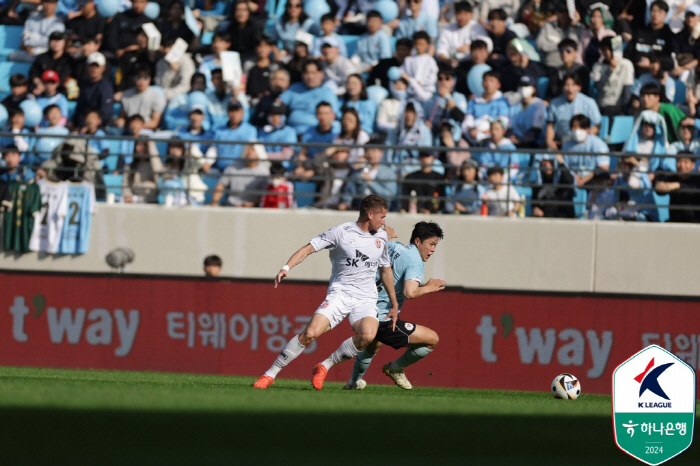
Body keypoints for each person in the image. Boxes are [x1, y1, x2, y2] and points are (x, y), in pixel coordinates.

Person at [252, 194, 399, 390]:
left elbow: (386, 269)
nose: (384, 222)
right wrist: (286, 267)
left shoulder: (381, 237)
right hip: (340, 294)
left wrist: (394, 303)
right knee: (310, 333)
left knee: (368, 335)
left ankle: (325, 365)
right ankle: (269, 375)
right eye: (382, 217)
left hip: (366, 298)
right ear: (369, 214)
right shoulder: (341, 232)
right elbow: (308, 248)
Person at [345, 221, 445, 391]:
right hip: (383, 316)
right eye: (431, 244)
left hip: (364, 307)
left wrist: (387, 235)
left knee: (374, 344)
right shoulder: (415, 261)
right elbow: (410, 292)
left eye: (435, 245)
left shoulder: (394, 247)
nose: (433, 250)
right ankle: (396, 368)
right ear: (418, 241)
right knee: (432, 339)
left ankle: (353, 382)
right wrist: (429, 288)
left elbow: (376, 245)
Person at [279, 58, 339, 135]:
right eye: (307, 73)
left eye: (313, 73)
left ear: (321, 74)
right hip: (291, 132)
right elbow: (278, 104)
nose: (310, 76)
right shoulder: (293, 89)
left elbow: (332, 117)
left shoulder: (327, 93)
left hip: (315, 134)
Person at [546, 73, 601, 150]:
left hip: (583, 142)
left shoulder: (589, 102)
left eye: (573, 85)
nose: (570, 89)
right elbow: (550, 125)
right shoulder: (554, 103)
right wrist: (549, 142)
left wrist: (583, 137)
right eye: (567, 85)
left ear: (579, 87)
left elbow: (597, 125)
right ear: (562, 87)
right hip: (561, 142)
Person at [340, 141, 397, 211]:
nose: (371, 154)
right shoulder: (359, 171)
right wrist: (346, 202)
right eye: (367, 151)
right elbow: (350, 189)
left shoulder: (388, 172)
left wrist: (371, 183)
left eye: (374, 151)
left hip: (380, 210)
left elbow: (390, 195)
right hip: (361, 209)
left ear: (381, 153)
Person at [624, 0, 675, 75]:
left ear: (665, 15)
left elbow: (670, 62)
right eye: (653, 11)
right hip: (634, 74)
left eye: (660, 11)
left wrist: (651, 64)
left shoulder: (669, 36)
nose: (656, 14)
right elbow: (627, 54)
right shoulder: (639, 32)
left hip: (656, 76)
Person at [560, 114, 610, 186]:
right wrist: (574, 177)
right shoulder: (566, 145)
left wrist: (585, 178)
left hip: (593, 180)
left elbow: (604, 167)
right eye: (574, 127)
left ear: (588, 128)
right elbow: (566, 165)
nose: (577, 130)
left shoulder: (598, 144)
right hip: (572, 180)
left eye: (581, 127)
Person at [591, 36, 634, 118]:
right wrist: (610, 70)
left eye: (610, 49)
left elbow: (627, 91)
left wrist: (624, 110)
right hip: (601, 105)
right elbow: (598, 86)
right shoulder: (597, 66)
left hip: (617, 106)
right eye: (604, 50)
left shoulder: (626, 64)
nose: (607, 52)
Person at [462, 70, 510, 144]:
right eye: (486, 80)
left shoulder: (503, 101)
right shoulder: (473, 101)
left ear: (498, 84)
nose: (488, 84)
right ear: (482, 83)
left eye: (491, 81)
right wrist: (470, 130)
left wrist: (489, 131)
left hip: (492, 138)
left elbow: (503, 122)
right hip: (472, 137)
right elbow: (468, 120)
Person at [436, 1, 488, 67]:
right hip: (451, 64)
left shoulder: (476, 27)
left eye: (465, 14)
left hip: (471, 62)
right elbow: (441, 50)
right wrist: (447, 60)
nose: (462, 17)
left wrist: (470, 46)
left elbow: (486, 43)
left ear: (471, 14)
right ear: (455, 14)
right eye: (459, 13)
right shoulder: (447, 30)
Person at [422, 68, 467, 144]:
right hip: (434, 139)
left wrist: (447, 97)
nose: (443, 82)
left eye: (447, 78)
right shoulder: (430, 100)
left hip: (453, 139)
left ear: (453, 81)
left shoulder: (459, 97)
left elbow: (462, 118)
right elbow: (423, 119)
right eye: (440, 78)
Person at [210, 101, 258, 171]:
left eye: (237, 111)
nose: (234, 114)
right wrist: (208, 162)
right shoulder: (219, 130)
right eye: (232, 111)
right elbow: (214, 148)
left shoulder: (250, 130)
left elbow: (251, 151)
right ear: (227, 113)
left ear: (242, 112)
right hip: (220, 169)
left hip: (240, 170)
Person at [535, 3, 585, 70]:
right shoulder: (548, 26)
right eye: (561, 12)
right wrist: (560, 45)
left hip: (570, 67)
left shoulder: (579, 28)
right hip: (549, 65)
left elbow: (573, 45)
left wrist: (572, 27)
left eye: (566, 12)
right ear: (556, 14)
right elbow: (540, 44)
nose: (564, 15)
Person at [654, 151, 700, 222]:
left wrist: (678, 185)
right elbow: (660, 191)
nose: (682, 165)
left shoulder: (697, 179)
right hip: (674, 221)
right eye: (679, 161)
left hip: (694, 222)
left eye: (685, 162)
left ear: (693, 165)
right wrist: (659, 184)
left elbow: (694, 191)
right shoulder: (672, 178)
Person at [71, 52, 113, 128]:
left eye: (97, 66)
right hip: (83, 126)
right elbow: (80, 109)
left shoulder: (106, 87)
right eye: (91, 66)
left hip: (100, 128)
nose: (94, 69)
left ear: (103, 68)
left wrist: (90, 125)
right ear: (87, 66)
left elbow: (105, 113)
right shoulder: (84, 85)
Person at [117, 66, 166, 130]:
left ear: (150, 79)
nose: (141, 81)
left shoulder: (157, 96)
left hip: (147, 131)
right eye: (138, 77)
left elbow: (155, 123)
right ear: (133, 78)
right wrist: (120, 121)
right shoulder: (126, 95)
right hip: (128, 130)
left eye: (145, 77)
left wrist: (138, 126)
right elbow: (123, 116)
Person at [28, 31, 73, 96]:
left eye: (59, 40)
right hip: (41, 90)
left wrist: (51, 87)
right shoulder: (42, 58)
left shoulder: (68, 60)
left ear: (64, 42)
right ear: (49, 42)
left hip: (60, 92)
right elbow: (33, 73)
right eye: (53, 40)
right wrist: (39, 84)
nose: (56, 43)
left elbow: (66, 77)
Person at [531, 153, 575, 218]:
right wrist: (535, 208)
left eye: (550, 162)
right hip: (543, 219)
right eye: (544, 163)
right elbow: (534, 200)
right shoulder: (538, 182)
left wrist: (561, 163)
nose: (547, 166)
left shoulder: (563, 179)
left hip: (562, 218)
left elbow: (570, 181)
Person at [154, 36, 196, 101]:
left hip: (180, 96)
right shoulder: (160, 63)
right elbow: (160, 86)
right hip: (163, 94)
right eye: (165, 47)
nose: (166, 50)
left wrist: (169, 94)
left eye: (170, 47)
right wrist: (170, 71)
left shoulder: (187, 62)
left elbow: (186, 86)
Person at [121, 139, 163, 203]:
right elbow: (125, 184)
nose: (141, 147)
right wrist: (128, 196)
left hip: (150, 200)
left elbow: (158, 171)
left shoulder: (153, 165)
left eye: (145, 145)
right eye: (139, 144)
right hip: (133, 200)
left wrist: (151, 143)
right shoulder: (129, 166)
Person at [510, 75, 546, 148]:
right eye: (521, 86)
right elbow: (510, 126)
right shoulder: (515, 105)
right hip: (516, 142)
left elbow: (537, 130)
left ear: (534, 89)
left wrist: (521, 140)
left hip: (535, 143)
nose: (523, 89)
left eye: (526, 86)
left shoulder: (539, 104)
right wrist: (511, 137)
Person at [223, 0, 262, 66]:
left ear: (249, 12)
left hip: (250, 58)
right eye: (238, 10)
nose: (241, 13)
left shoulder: (255, 28)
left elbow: (257, 47)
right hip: (233, 58)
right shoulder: (230, 27)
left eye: (244, 10)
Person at [401, 31, 438, 100]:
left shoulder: (430, 60)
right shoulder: (408, 60)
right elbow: (402, 73)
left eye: (421, 44)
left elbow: (433, 78)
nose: (418, 46)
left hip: (426, 93)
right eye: (417, 44)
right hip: (411, 93)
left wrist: (420, 82)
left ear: (427, 45)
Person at [246, 37, 281, 104]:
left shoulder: (275, 67)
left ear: (271, 48)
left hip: (269, 101)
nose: (262, 49)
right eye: (259, 46)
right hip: (250, 101)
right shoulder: (248, 65)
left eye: (265, 46)